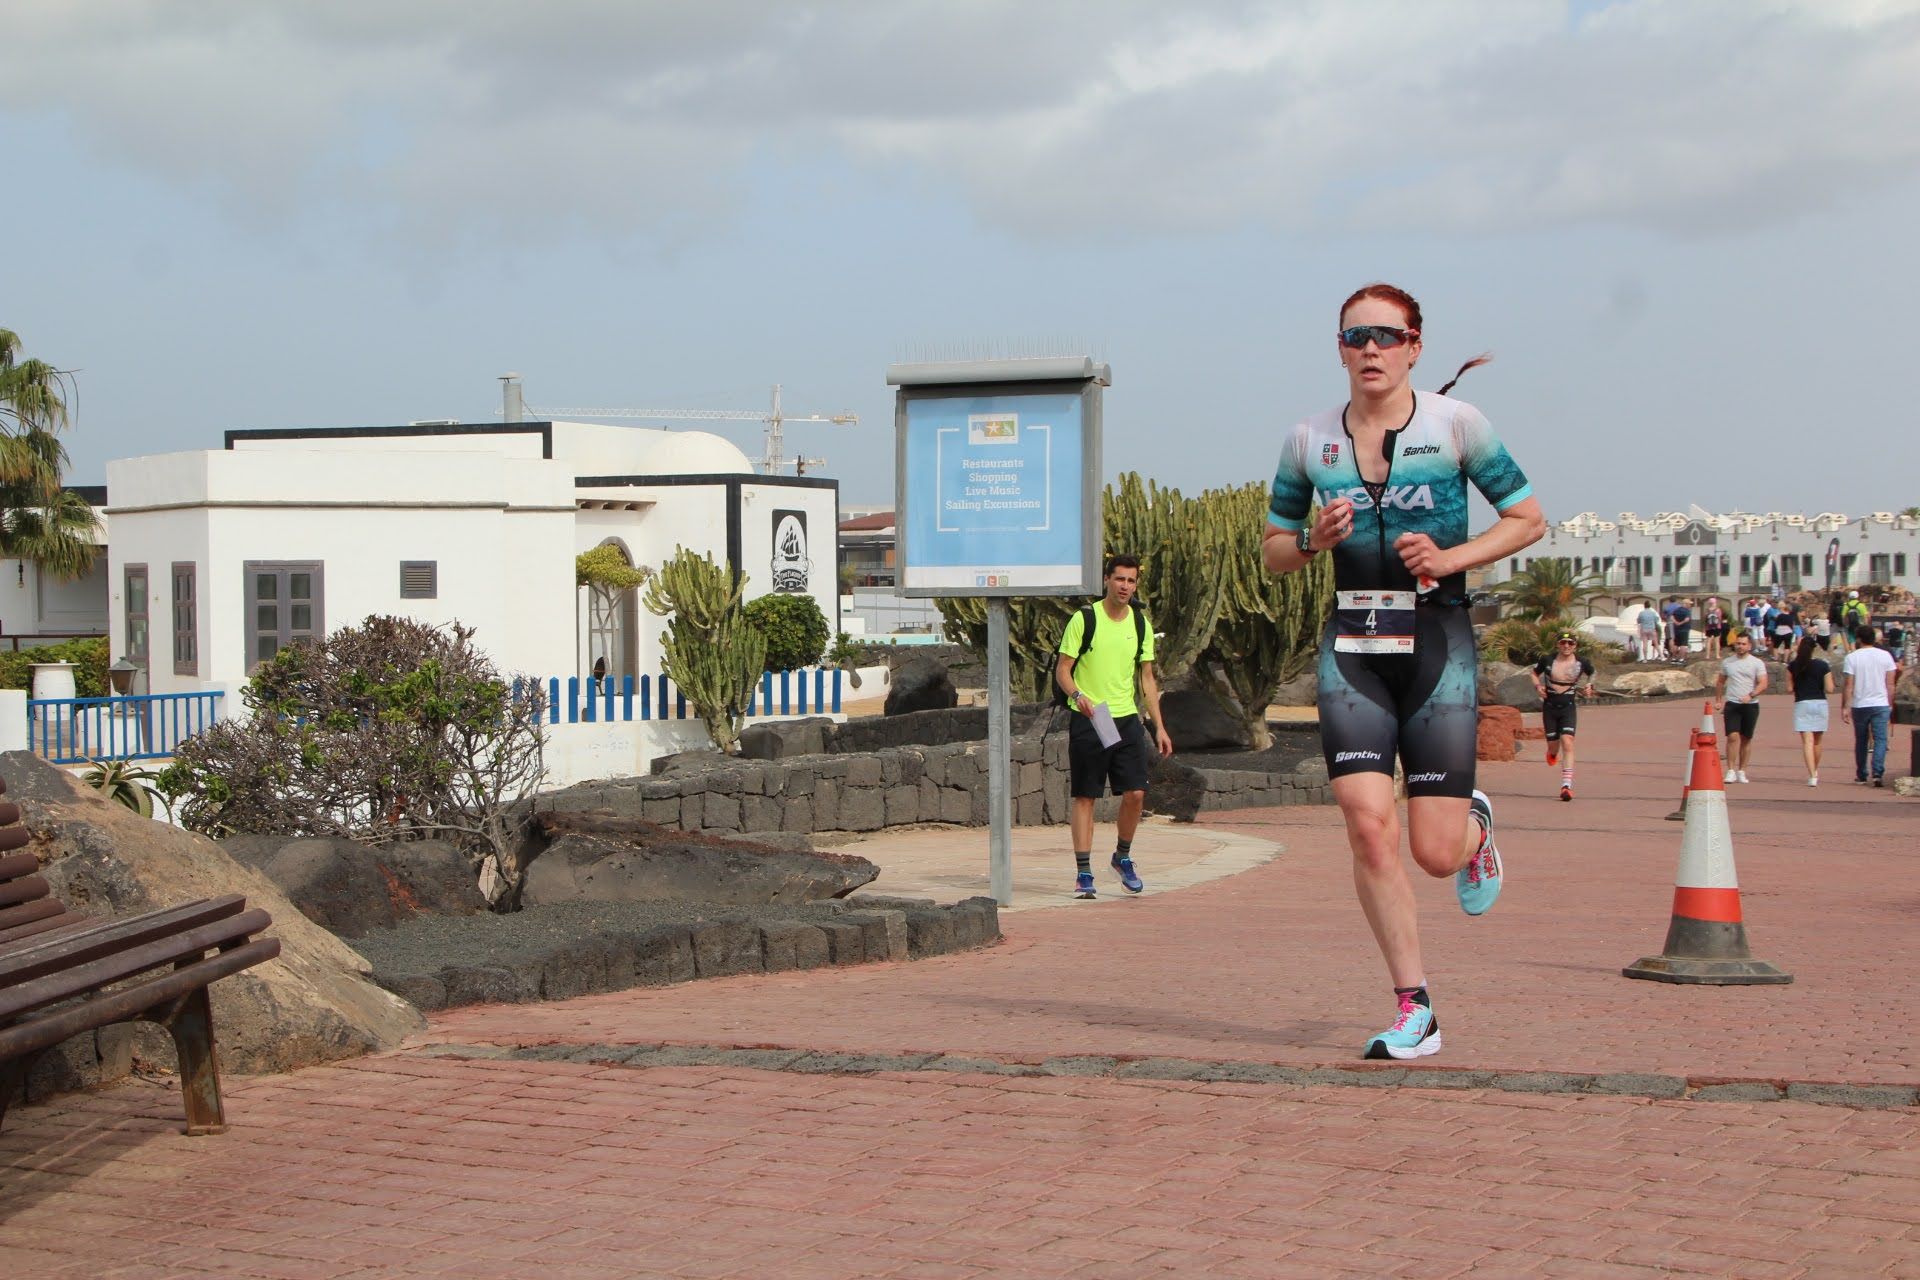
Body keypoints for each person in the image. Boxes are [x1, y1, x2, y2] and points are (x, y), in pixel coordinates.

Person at [1262, 282, 1544, 1061]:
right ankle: (1414, 1006)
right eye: (1356, 338)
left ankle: (1473, 826)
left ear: (1416, 345)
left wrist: (1451, 557)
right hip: (1352, 642)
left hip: (1437, 641)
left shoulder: (1458, 426)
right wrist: (1314, 540)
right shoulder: (1307, 441)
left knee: (1432, 853)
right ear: (1341, 350)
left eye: (1387, 336)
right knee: (1364, 824)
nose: (1371, 350)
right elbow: (1273, 552)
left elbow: (1528, 518)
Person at [1053, 553, 1173, 898]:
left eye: (1131, 581)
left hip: (1126, 718)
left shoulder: (1140, 623)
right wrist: (1078, 696)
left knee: (1136, 793)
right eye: (1119, 579)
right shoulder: (1084, 619)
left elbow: (1147, 678)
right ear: (1107, 579)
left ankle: (1122, 857)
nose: (1125, 586)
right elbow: (1064, 669)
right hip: (1092, 717)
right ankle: (1083, 873)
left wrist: (1160, 726)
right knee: (1086, 795)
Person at [1530, 632, 1594, 800]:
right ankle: (1551, 754)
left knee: (1568, 741)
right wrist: (1538, 687)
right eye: (1563, 643)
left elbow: (1592, 672)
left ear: (1575, 646)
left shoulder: (1581, 662)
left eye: (1570, 643)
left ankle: (1566, 786)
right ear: (1558, 644)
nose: (1566, 646)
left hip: (1568, 707)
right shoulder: (1548, 660)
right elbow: (1534, 673)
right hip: (1550, 707)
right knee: (1553, 747)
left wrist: (1589, 685)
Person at [1839, 624, 1898, 787]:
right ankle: (1878, 772)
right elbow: (1891, 684)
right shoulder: (1886, 656)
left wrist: (1845, 707)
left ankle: (1862, 774)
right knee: (1880, 739)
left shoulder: (1852, 657)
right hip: (1880, 702)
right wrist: (1890, 703)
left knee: (1861, 740)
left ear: (1859, 639)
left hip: (1860, 703)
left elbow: (1848, 685)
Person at [1714, 633, 1768, 784]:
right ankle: (1730, 770)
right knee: (1732, 737)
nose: (1740, 646)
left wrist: (1751, 695)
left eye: (1743, 644)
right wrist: (1718, 700)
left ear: (1749, 646)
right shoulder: (1727, 662)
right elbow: (1720, 682)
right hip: (1732, 703)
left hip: (1750, 704)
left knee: (1746, 739)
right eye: (1738, 643)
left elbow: (1763, 683)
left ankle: (1742, 770)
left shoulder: (1757, 663)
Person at [1786, 634, 1833, 787]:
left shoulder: (1793, 666)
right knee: (1817, 742)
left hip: (1802, 703)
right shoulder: (1822, 665)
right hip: (1820, 703)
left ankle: (1812, 775)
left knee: (1807, 741)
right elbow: (1830, 688)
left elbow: (1789, 688)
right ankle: (1815, 769)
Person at [1669, 598, 1693, 664]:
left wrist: (1676, 623)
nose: (1690, 605)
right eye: (1689, 604)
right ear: (1686, 604)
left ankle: (1673, 659)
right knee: (1683, 644)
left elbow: (1671, 617)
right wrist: (1680, 623)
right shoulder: (1687, 611)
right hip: (1684, 629)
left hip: (1676, 630)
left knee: (1676, 644)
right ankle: (1681, 659)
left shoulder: (1676, 610)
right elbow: (1687, 619)